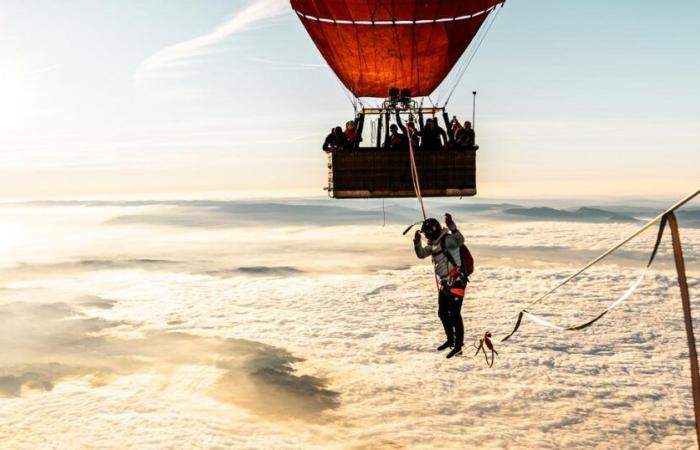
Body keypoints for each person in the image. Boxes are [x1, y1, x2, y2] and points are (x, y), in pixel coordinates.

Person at [414, 213, 467, 359]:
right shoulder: (434, 244)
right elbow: (421, 254)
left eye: (427, 234)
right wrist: (416, 242)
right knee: (442, 312)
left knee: (455, 314)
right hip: (445, 283)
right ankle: (451, 339)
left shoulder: (447, 240)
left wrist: (452, 226)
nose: (427, 237)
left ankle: (458, 346)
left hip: (456, 281)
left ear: (432, 232)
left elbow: (460, 240)